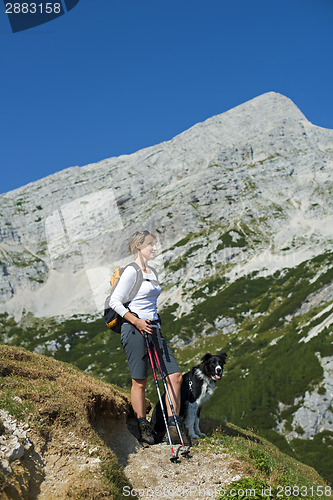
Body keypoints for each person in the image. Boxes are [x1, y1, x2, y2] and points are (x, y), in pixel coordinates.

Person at [109, 230, 187, 445]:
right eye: (150, 244)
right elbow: (115, 301)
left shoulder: (151, 271)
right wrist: (136, 321)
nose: (155, 248)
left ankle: (173, 426)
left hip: (154, 328)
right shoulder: (131, 272)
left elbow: (149, 301)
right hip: (134, 329)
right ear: (138, 247)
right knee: (140, 381)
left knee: (175, 376)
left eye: (155, 244)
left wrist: (155, 323)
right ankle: (143, 426)